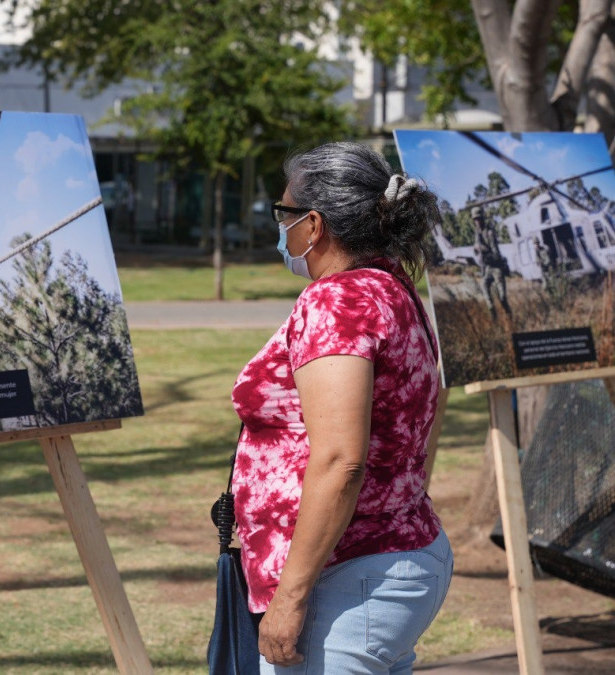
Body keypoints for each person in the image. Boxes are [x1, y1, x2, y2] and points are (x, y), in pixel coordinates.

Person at [231, 142, 452, 673]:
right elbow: (430, 411)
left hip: (349, 575)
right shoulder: (392, 286)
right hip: (388, 559)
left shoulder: (337, 302)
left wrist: (290, 599)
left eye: (283, 213)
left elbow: (340, 460)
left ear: (313, 225)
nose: (280, 229)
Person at [471, 205, 512, 320]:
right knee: (484, 285)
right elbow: (476, 251)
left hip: (496, 267)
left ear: (482, 219)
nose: (477, 221)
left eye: (478, 219)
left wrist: (484, 249)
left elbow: (496, 255)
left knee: (503, 298)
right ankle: (493, 315)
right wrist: (476, 249)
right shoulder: (477, 234)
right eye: (475, 219)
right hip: (487, 267)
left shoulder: (489, 233)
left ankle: (510, 317)